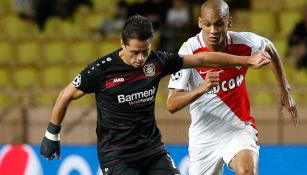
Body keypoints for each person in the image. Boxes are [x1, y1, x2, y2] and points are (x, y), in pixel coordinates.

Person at [40, 14, 270, 175]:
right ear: (122, 44)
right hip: (117, 156)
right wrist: (52, 135)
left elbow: (201, 58)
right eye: (134, 52)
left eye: (145, 51)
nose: (141, 58)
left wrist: (247, 60)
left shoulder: (156, 62)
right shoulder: (101, 70)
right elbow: (65, 95)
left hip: (152, 150)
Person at [167, 0, 298, 175]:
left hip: (238, 128)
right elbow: (171, 104)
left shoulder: (244, 42)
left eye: (219, 24)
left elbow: (270, 48)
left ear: (229, 21)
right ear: (199, 23)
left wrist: (285, 90)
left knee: (248, 171)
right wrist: (202, 88)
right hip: (204, 136)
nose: (213, 31)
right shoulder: (188, 51)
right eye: (207, 25)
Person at [288, 4, 307, 69]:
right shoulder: (299, 26)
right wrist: (295, 47)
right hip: (299, 53)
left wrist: (304, 47)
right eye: (304, 12)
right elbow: (292, 39)